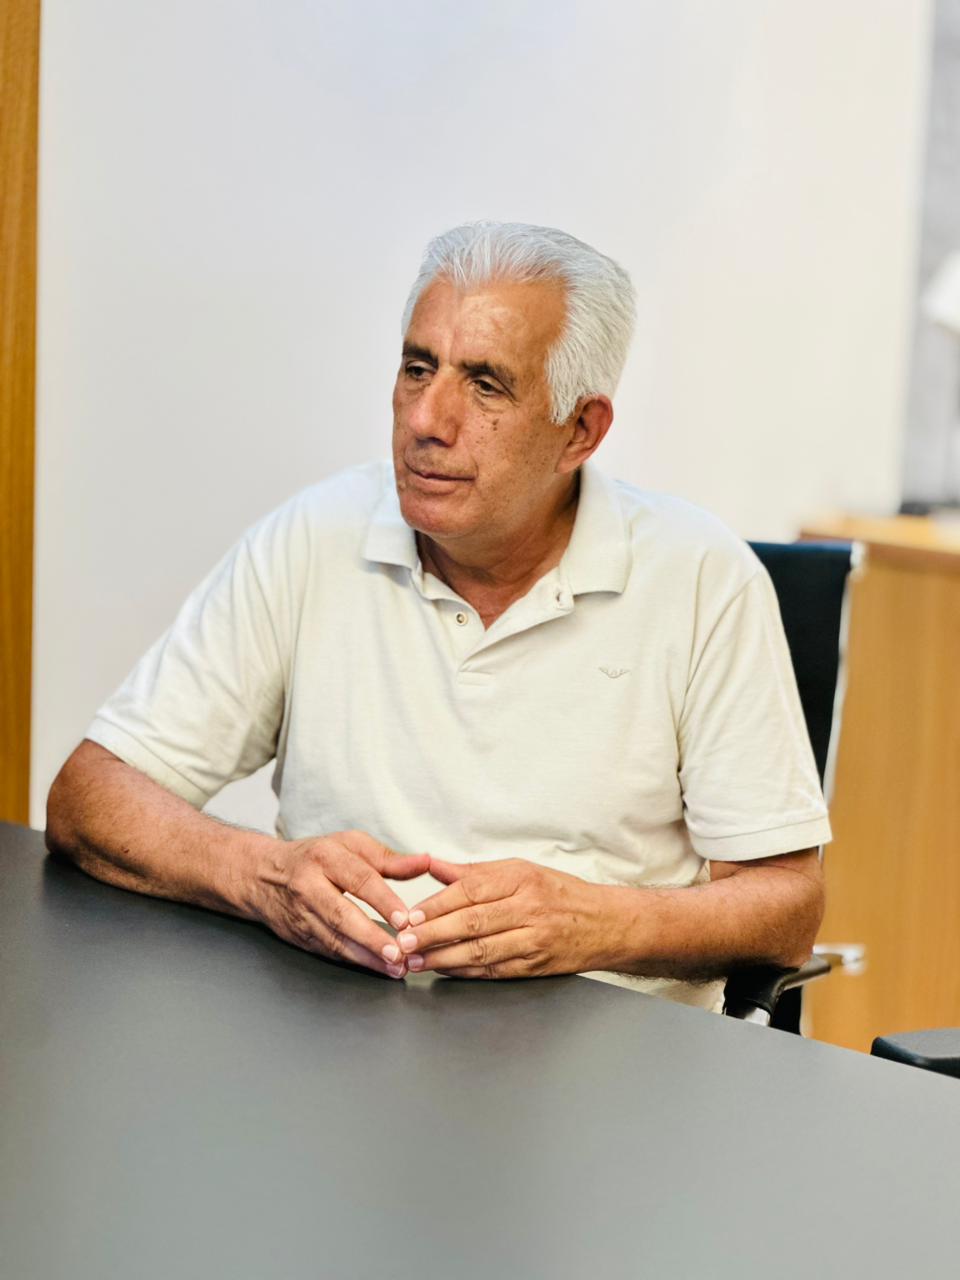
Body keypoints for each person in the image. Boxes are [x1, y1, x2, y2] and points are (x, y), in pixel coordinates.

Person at [46, 222, 830, 1011]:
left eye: (486, 385)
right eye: (418, 369)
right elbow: (91, 796)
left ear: (580, 431)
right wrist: (265, 875)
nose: (427, 419)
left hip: (599, 1046)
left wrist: (592, 924)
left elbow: (788, 905)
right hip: (339, 1025)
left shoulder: (701, 576)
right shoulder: (316, 536)